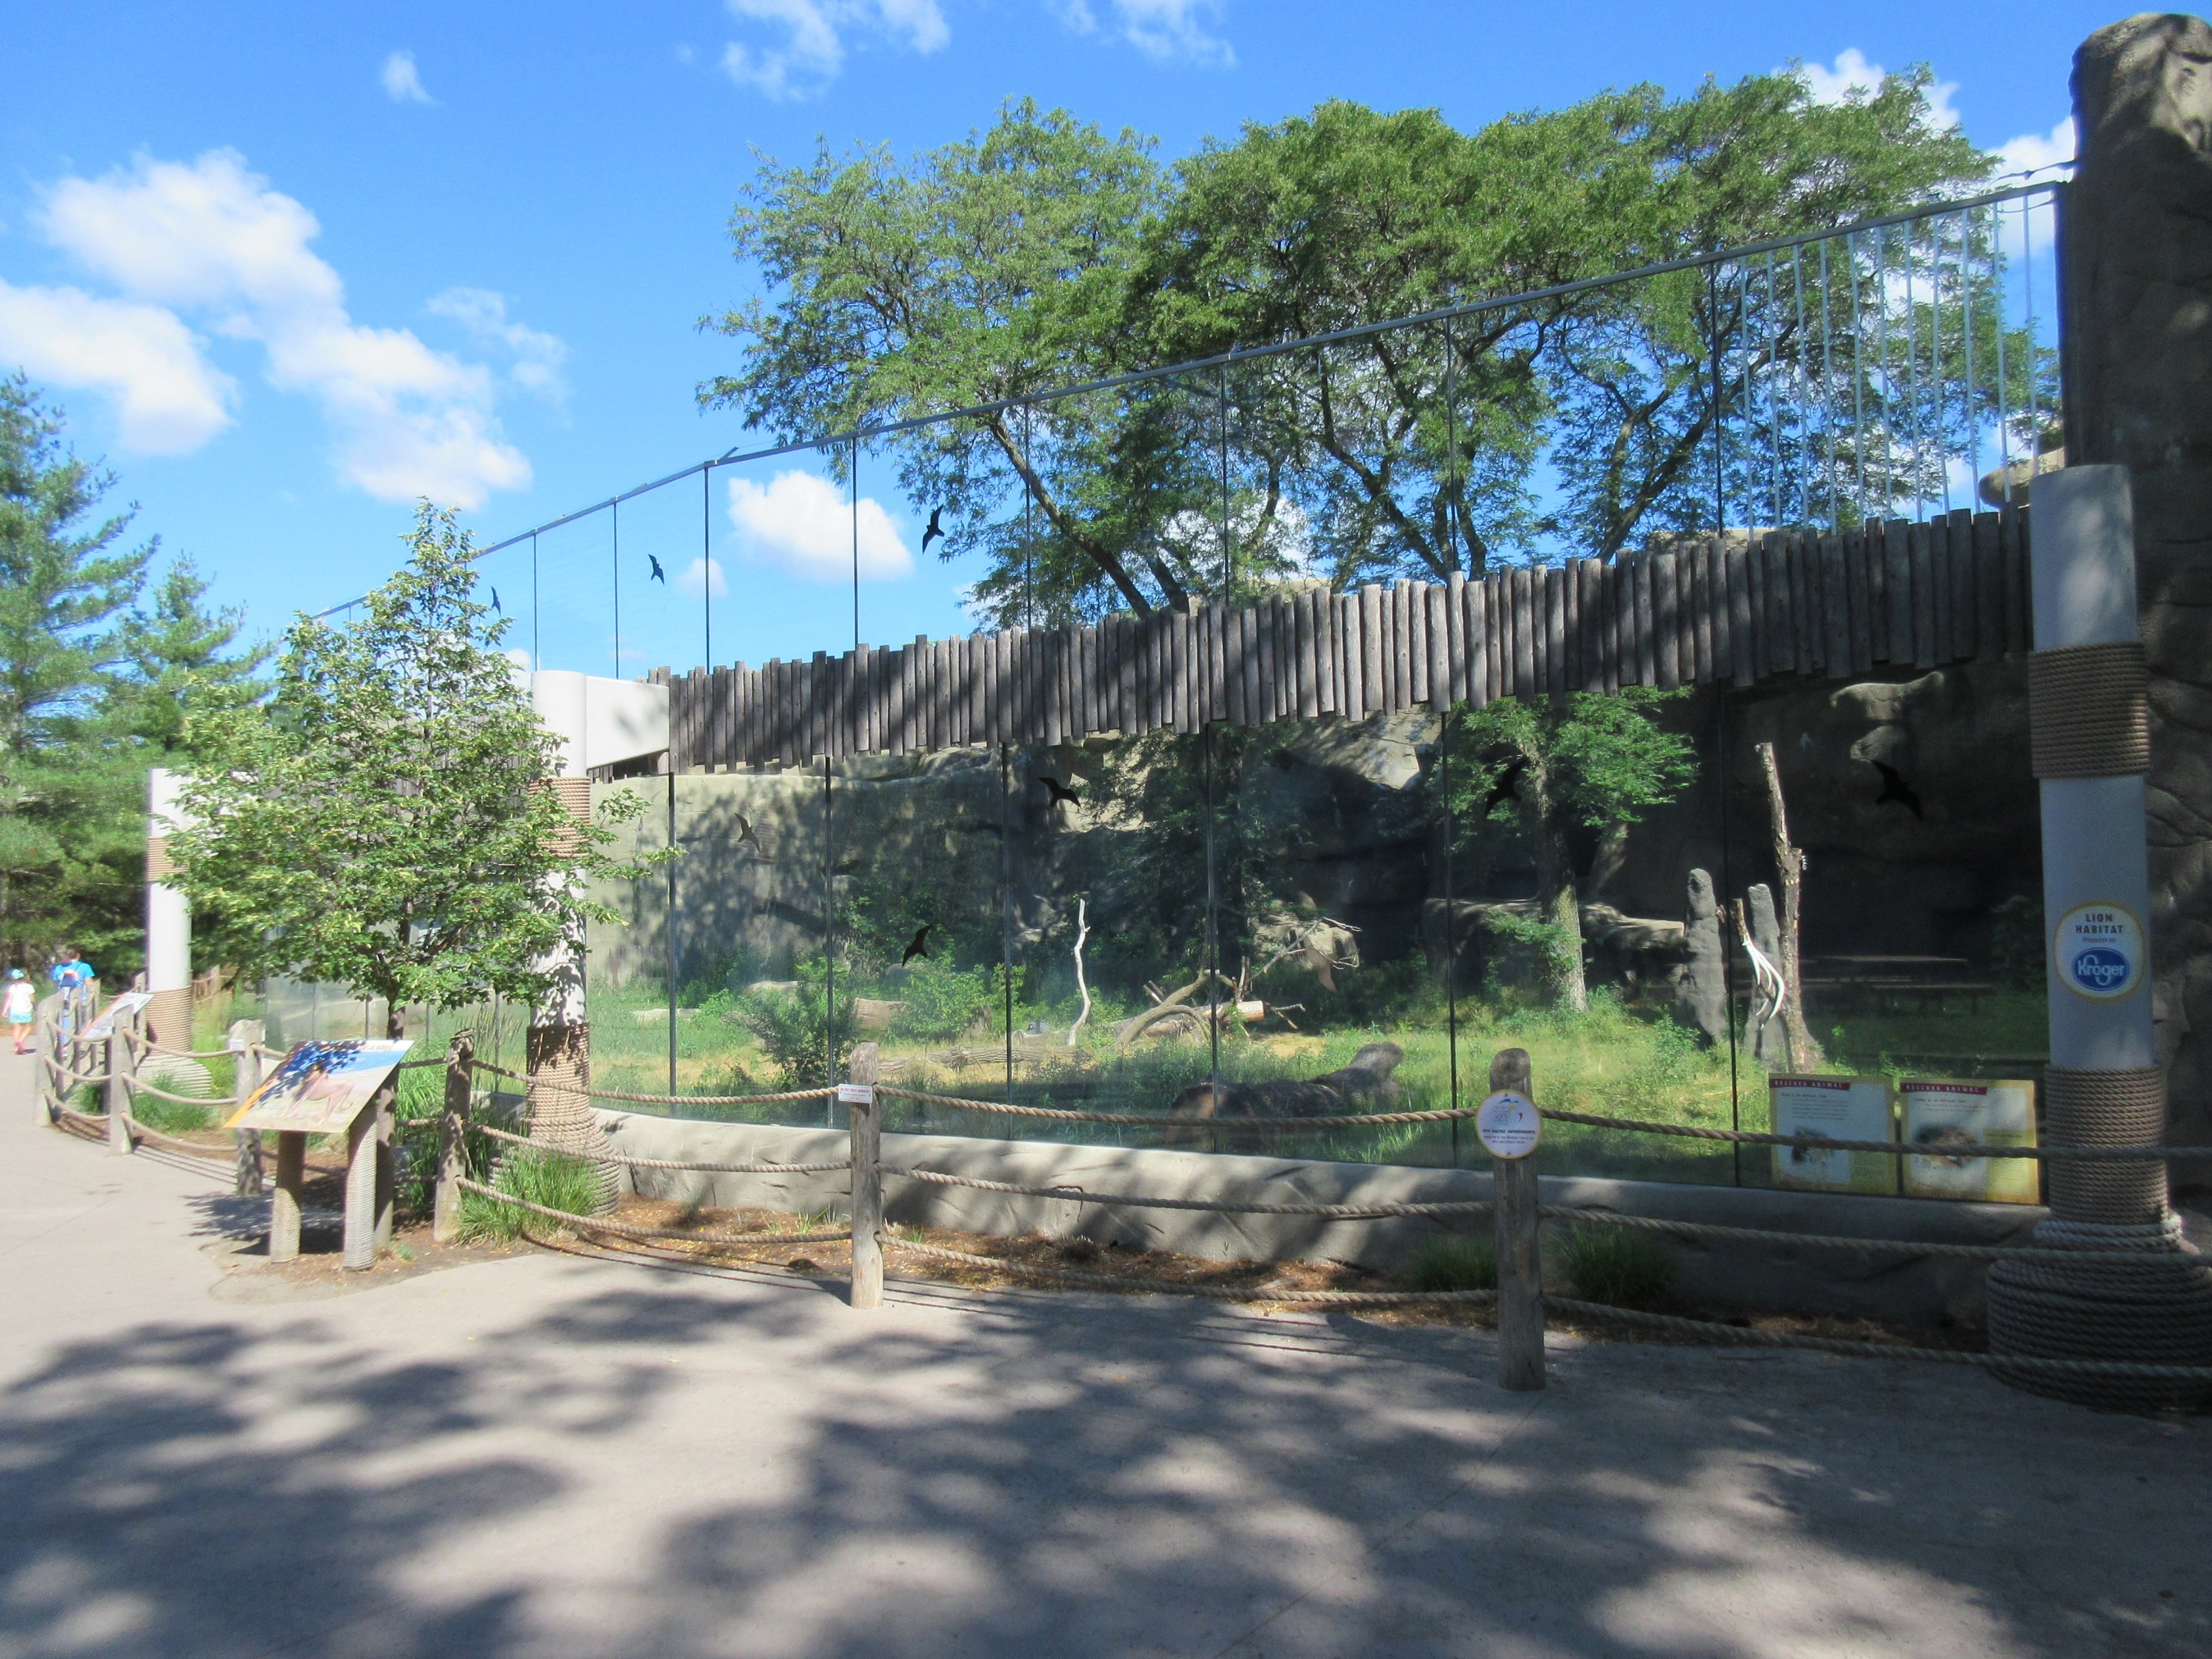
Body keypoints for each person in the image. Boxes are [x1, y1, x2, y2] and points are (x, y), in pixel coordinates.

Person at [5, 969, 34, 1056]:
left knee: (16, 1028)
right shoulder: (29, 987)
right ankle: (20, 1042)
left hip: (14, 1009)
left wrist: (5, 1010)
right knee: (28, 1028)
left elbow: (8, 999)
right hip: (25, 1009)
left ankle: (18, 1046)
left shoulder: (12, 987)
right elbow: (32, 999)